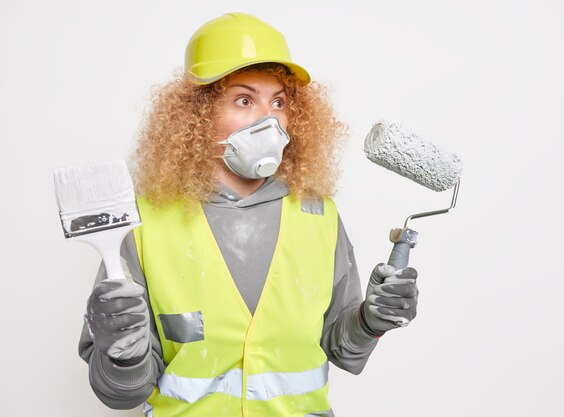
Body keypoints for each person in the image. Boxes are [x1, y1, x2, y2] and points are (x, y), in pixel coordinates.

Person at [78, 12, 418, 417]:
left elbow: (340, 348)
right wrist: (122, 354)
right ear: (197, 115)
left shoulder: (318, 213)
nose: (268, 119)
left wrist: (370, 320)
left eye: (278, 101)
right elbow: (121, 394)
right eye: (244, 100)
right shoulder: (143, 224)